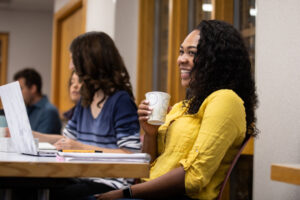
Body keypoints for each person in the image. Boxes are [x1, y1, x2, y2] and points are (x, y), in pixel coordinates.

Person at [96, 20, 258, 200]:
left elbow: (193, 178)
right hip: (146, 194)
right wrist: (150, 133)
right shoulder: (182, 106)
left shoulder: (226, 100)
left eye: (192, 53)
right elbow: (148, 168)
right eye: (181, 52)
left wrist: (124, 193)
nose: (180, 59)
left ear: (217, 60)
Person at [31, 31, 141, 199]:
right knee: (29, 185)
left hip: (108, 183)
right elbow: (67, 141)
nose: (70, 67)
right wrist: (32, 135)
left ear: (89, 62)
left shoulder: (121, 101)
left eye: (73, 60)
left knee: (54, 194)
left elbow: (130, 155)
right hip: (81, 176)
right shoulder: (86, 99)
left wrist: (81, 147)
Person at [13, 68, 62, 134]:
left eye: (20, 88)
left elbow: (40, 142)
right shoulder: (25, 109)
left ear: (33, 88)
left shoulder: (49, 111)